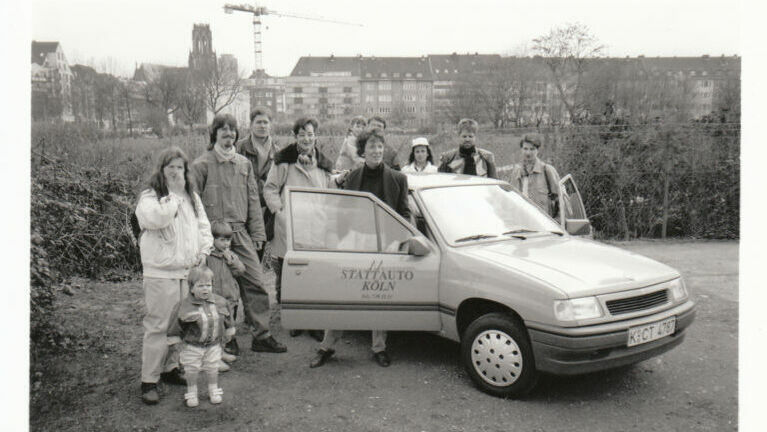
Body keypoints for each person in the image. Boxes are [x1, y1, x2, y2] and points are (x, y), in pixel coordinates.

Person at [310, 127, 410, 369]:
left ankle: (379, 347)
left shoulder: (398, 178)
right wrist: (338, 241)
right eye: (371, 147)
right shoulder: (353, 177)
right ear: (362, 151)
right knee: (343, 294)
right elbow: (343, 212)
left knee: (378, 296)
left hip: (384, 243)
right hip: (355, 240)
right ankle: (327, 346)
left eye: (379, 146)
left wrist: (402, 240)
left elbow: (405, 213)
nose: (376, 151)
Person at [191, 114, 287, 354]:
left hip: (240, 232)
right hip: (213, 237)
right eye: (222, 130)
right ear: (214, 134)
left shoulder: (243, 164)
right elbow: (192, 204)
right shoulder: (201, 165)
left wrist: (257, 233)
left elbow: (254, 200)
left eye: (232, 130)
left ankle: (261, 335)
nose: (228, 134)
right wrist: (199, 239)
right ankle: (225, 337)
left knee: (255, 282)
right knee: (220, 289)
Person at [135, 146, 213, 405]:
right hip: (161, 272)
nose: (176, 172)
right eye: (171, 167)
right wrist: (174, 196)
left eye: (180, 167)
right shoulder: (151, 196)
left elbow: (203, 226)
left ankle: (170, 369)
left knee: (178, 325)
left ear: (186, 170)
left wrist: (204, 251)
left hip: (185, 272)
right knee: (158, 326)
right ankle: (149, 380)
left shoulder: (192, 196)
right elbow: (156, 219)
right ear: (162, 170)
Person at [263, 117, 342, 341]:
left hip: (316, 226)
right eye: (302, 134)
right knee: (290, 274)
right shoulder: (283, 161)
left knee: (313, 274)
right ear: (295, 136)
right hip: (289, 226)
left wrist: (339, 179)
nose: (307, 138)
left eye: (310, 134)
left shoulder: (324, 163)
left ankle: (313, 321)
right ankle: (294, 319)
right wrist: (279, 212)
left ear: (315, 136)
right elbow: (270, 189)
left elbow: (328, 187)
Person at [168, 266, 234, 407]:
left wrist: (229, 330)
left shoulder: (220, 302)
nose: (205, 289)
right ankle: (192, 392)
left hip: (213, 344)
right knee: (191, 369)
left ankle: (213, 389)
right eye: (200, 286)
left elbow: (228, 317)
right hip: (192, 346)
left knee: (212, 367)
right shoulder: (183, 306)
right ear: (191, 288)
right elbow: (175, 324)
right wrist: (175, 341)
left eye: (208, 285)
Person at [236, 107, 277, 257]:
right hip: (243, 208)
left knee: (257, 255)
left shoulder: (277, 153)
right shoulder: (239, 148)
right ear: (251, 125)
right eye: (258, 122)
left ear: (270, 125)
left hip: (266, 212)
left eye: (266, 122)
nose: (262, 126)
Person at [206, 221, 245, 369]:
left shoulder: (231, 256)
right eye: (221, 240)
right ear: (213, 239)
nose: (225, 244)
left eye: (228, 240)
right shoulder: (208, 257)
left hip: (230, 300)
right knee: (215, 330)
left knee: (226, 330)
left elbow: (241, 271)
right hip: (215, 300)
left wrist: (232, 261)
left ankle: (221, 352)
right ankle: (213, 358)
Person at [509, 133, 561, 218]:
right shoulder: (516, 171)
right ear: (521, 149)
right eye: (525, 149)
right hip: (522, 221)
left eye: (532, 149)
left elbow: (561, 200)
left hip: (544, 223)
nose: (528, 152)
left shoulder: (547, 170)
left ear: (538, 150)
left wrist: (557, 223)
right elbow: (511, 199)